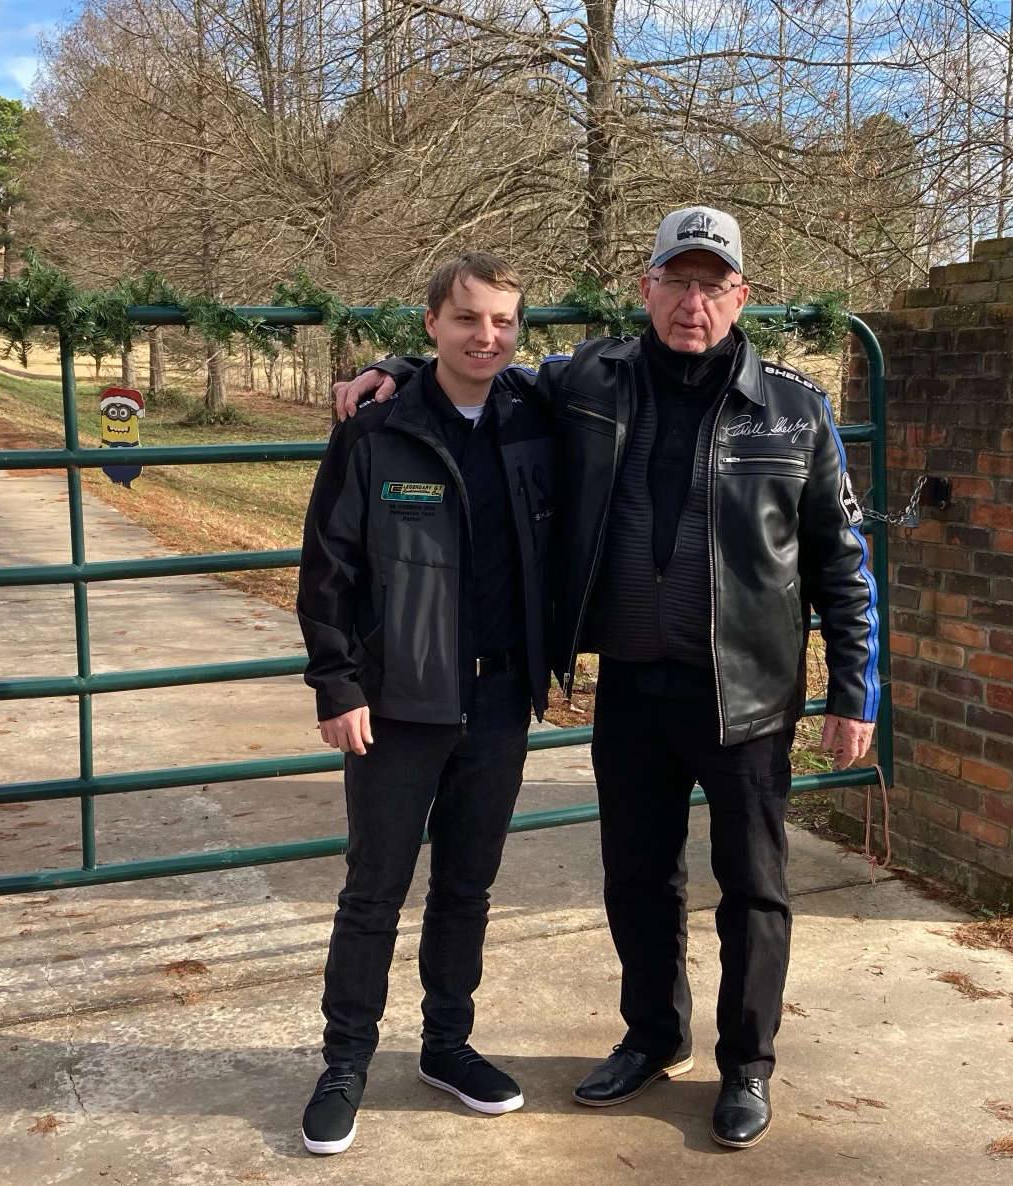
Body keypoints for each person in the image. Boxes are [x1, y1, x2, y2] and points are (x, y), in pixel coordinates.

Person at [335, 207, 880, 1149]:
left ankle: (746, 1064)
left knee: (753, 887)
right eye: (678, 280)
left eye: (714, 284)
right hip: (632, 684)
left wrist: (854, 687)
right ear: (648, 288)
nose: (693, 302)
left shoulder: (793, 411)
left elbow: (842, 557)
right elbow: (482, 365)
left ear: (741, 297)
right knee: (638, 877)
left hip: (743, 693)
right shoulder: (591, 380)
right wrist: (404, 368)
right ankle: (652, 1035)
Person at [295, 252, 554, 1155]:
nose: (486, 337)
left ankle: (447, 1047)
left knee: (467, 888)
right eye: (467, 319)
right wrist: (337, 682)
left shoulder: (535, 419)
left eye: (504, 322)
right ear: (431, 325)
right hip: (397, 705)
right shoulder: (376, 431)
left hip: (498, 700)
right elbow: (328, 568)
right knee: (374, 892)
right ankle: (345, 1063)